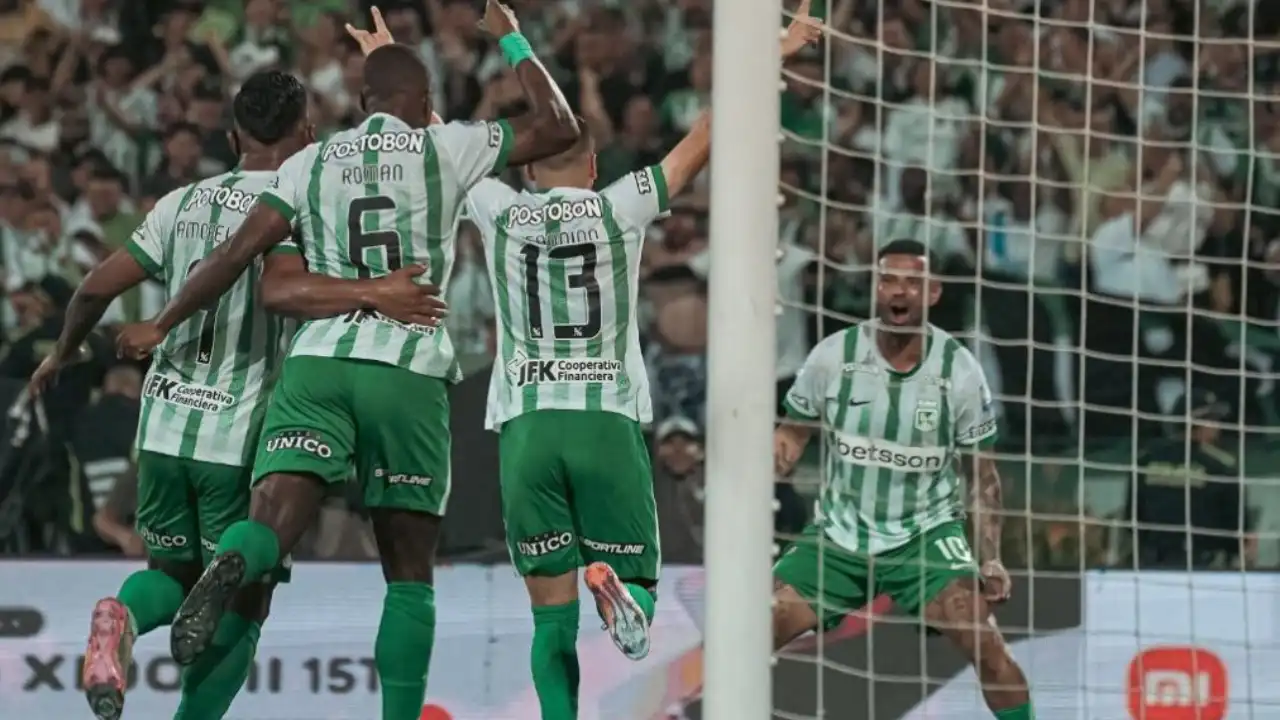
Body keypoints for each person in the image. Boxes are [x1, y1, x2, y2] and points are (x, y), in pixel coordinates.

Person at [342, 6, 819, 718]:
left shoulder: (501, 206)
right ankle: (622, 589)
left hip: (529, 428)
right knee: (639, 588)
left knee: (549, 620)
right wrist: (772, 55)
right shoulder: (620, 205)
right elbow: (705, 137)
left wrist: (392, 59)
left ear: (529, 169)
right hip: (605, 420)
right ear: (594, 167)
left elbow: (432, 141)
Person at [115, 3, 580, 717]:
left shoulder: (311, 160)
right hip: (408, 371)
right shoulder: (445, 146)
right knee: (407, 574)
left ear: (360, 103)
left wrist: (162, 318)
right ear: (424, 104)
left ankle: (240, 554)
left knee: (269, 520)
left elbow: (240, 257)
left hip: (318, 367)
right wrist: (511, 35)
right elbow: (558, 127)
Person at [29, 70, 439, 720]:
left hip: (161, 430)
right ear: (307, 133)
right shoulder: (300, 202)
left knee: (168, 578)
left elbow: (92, 289)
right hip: (238, 435)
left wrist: (62, 350)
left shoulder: (177, 204)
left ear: (230, 135)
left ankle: (122, 614)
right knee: (242, 611)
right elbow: (293, 291)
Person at [771, 239, 1036, 720]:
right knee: (757, 628)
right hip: (840, 534)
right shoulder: (833, 356)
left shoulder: (959, 370)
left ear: (932, 293)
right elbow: (792, 433)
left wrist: (991, 557)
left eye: (912, 282)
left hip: (926, 535)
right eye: (889, 280)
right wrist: (772, 461)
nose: (899, 291)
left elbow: (983, 475)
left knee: (987, 646)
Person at [1125, 387, 1252, 569]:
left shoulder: (1144, 459)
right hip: (1205, 565)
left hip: (1151, 563)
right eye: (1212, 419)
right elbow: (1237, 528)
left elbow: (1131, 518)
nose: (1218, 426)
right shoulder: (1220, 465)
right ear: (1196, 422)